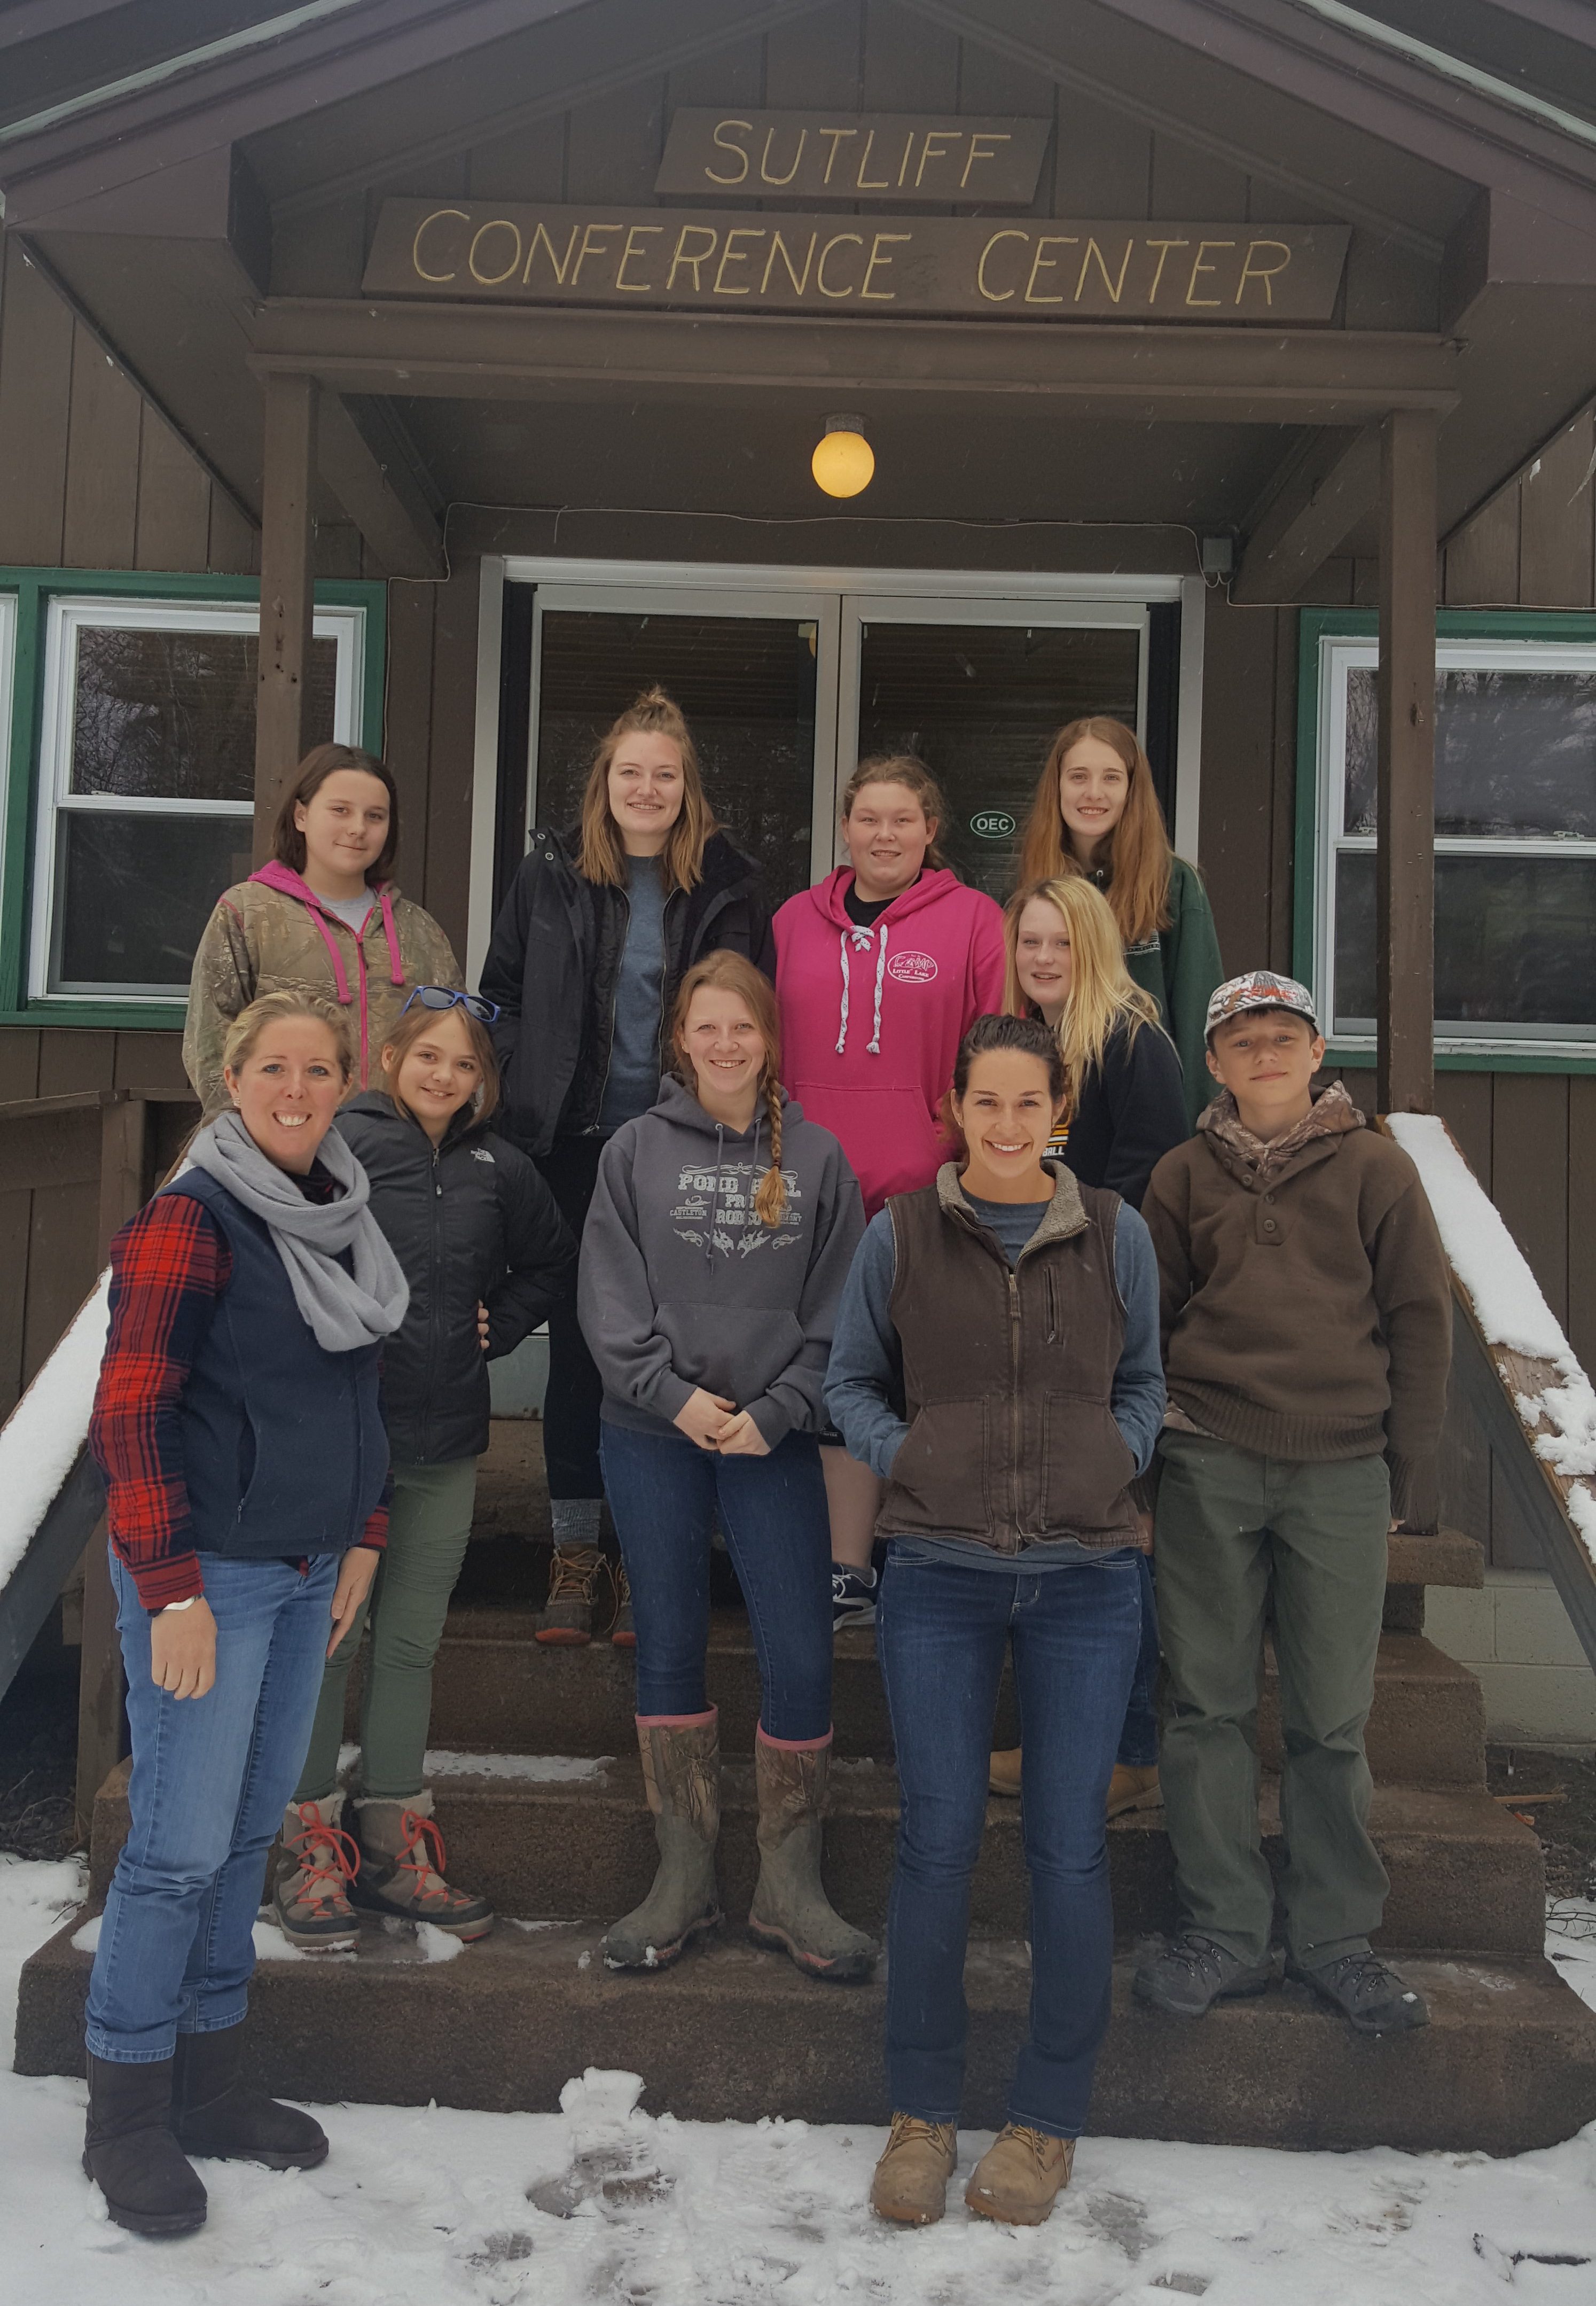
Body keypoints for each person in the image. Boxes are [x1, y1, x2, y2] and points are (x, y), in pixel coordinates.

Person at [826, 1013, 1165, 2230]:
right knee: (935, 1837)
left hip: (1085, 1577)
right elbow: (846, 1379)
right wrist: (908, 1450)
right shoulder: (901, 1232)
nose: (1008, 1125)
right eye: (987, 1104)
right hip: (941, 1574)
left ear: (1056, 1110)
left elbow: (1143, 1384)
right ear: (955, 1109)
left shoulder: (1112, 1234)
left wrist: (1105, 1457)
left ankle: (1043, 2119)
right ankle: (920, 2110)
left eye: (1030, 1104)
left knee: (1067, 1845)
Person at [84, 990, 408, 2238]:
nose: (296, 1086)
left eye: (318, 1068)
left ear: (343, 1083)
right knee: (171, 1849)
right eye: (273, 1065)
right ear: (232, 1076)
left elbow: (355, 1393)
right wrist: (168, 1587)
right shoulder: (191, 1218)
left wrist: (366, 1531)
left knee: (241, 1836)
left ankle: (210, 2079)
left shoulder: (342, 1217)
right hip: (207, 1576)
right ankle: (127, 2112)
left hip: (304, 1565)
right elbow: (131, 1413)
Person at [1135, 971, 1451, 2036]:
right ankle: (1225, 1926)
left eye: (1284, 1036)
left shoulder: (1377, 1169)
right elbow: (1151, 1325)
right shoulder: (1181, 1177)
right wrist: (1150, 1465)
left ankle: (1334, 1937)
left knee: (1330, 1717)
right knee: (1207, 1706)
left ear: (1316, 1052)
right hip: (1209, 1459)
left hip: (1341, 1468)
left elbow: (1417, 1319)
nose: (1265, 1054)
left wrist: (1408, 1474)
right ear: (1214, 1063)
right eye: (1242, 1040)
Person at [578, 952, 874, 1983]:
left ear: (768, 1039)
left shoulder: (820, 1160)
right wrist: (672, 1395)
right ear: (679, 1041)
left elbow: (841, 1311)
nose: (724, 1045)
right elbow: (607, 1301)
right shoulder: (633, 1151)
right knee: (666, 1640)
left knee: (797, 1649)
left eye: (741, 1028)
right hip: (652, 1433)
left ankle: (789, 1887)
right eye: (705, 1028)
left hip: (770, 1441)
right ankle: (684, 1875)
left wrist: (779, 1408)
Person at [273, 987, 576, 1950]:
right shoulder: (342, 1145)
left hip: (446, 1439)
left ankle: (396, 1837)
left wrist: (507, 1322)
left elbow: (550, 1262)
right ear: (393, 1057)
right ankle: (307, 1841)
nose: (445, 1075)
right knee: (335, 1635)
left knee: (410, 1639)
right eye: (429, 1056)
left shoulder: (501, 1168)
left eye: (465, 1064)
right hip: (347, 1438)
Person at [481, 688, 775, 1647]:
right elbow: (504, 994)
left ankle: (659, 1552)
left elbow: (748, 1014)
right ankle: (577, 1551)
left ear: (686, 787)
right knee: (579, 1343)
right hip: (569, 1148)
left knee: (681, 1348)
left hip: (680, 1149)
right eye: (628, 772)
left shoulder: (727, 884)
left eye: (664, 773)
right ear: (602, 785)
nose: (645, 788)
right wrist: (524, 1085)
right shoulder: (551, 875)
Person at [774, 756, 1005, 1630]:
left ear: (928, 830)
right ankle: (843, 1569)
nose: (882, 835)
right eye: (867, 818)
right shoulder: (793, 921)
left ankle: (918, 1559)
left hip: (927, 1197)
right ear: (844, 827)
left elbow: (1003, 1051)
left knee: (919, 1379)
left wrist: (1008, 1167)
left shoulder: (974, 921)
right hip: (808, 1190)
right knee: (831, 1379)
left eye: (901, 819)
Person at [989, 874, 1188, 1817]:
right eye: (1028, 942)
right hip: (1026, 1306)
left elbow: (1143, 1181)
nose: (1040, 959)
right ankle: (1053, 1737)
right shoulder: (1027, 1041)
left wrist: (1081, 1285)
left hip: (1102, 1312)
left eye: (1058, 943)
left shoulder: (1130, 1042)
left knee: (1112, 1534)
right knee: (1047, 1528)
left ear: (1094, 946)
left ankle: (1132, 1749)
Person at [184, 743, 463, 1118]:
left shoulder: (420, 931)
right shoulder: (247, 913)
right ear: (301, 815)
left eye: (375, 816)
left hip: (393, 1150)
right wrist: (250, 1139)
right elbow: (211, 1045)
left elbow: (456, 1040)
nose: (358, 829)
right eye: (340, 810)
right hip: (282, 1147)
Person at [1018, 715, 1224, 1128]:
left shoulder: (1173, 883)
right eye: (1078, 776)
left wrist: (1197, 1133)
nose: (1094, 793)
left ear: (1132, 789)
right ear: (1056, 786)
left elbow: (1199, 1015)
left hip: (1149, 1114)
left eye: (1111, 778)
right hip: (1059, 1112)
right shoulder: (1032, 883)